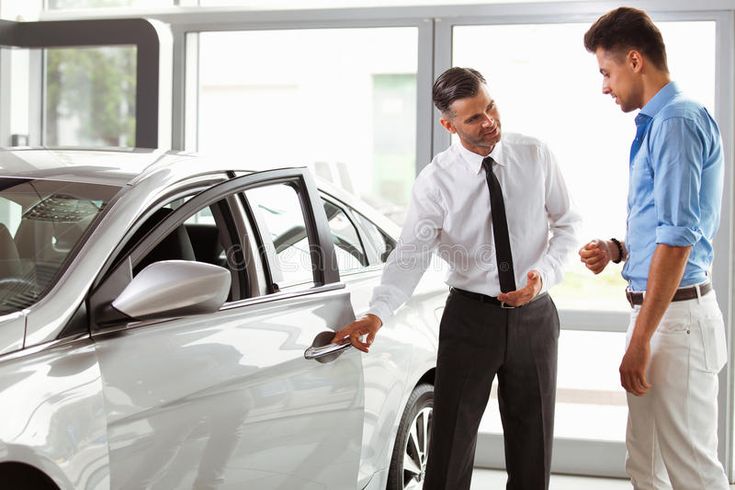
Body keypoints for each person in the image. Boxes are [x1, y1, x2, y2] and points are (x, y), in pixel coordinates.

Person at [332, 67, 580, 490]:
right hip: (471, 320)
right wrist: (377, 314)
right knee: (449, 444)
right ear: (448, 125)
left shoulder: (534, 154)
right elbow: (411, 254)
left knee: (533, 447)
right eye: (473, 118)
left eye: (491, 107)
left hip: (535, 317)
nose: (490, 122)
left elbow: (568, 226)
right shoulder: (436, 180)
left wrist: (543, 277)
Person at [580, 7, 729, 489]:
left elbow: (679, 238)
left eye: (607, 72)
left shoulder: (676, 122)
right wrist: (618, 248)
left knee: (691, 471)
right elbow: (665, 223)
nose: (604, 86)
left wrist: (641, 340)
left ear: (635, 60)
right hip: (659, 315)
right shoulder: (659, 122)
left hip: (675, 322)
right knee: (646, 466)